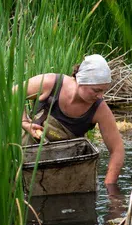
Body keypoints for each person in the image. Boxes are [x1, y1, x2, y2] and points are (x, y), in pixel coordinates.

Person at [20, 54, 125, 184]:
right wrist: (24, 121)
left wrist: (110, 187)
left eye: (104, 91)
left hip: (65, 170)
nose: (100, 96)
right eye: (96, 90)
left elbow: (117, 150)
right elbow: (13, 94)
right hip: (27, 160)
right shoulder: (50, 84)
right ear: (81, 80)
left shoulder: (100, 110)